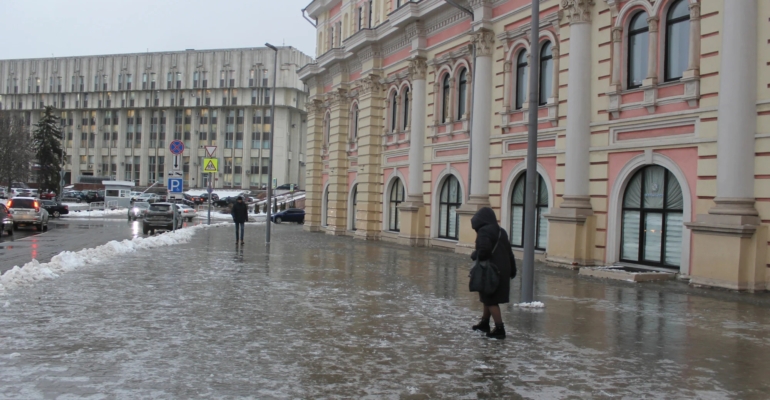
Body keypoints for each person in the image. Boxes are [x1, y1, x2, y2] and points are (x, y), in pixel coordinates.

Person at [470, 207, 516, 339]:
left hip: (491, 270)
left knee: (491, 300)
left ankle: (499, 328)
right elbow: (509, 252)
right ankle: (484, 323)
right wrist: (512, 269)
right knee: (488, 296)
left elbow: (483, 252)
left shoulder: (484, 232)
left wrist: (475, 254)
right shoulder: (501, 231)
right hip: (503, 269)